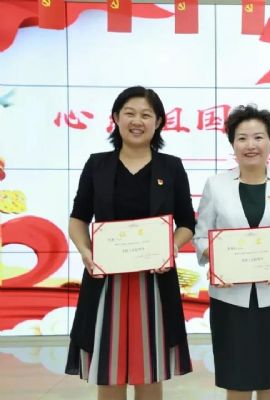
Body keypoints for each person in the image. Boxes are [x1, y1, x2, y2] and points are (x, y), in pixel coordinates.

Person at [65, 86, 195, 400]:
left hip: (154, 284)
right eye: (130, 113)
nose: (138, 121)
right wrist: (85, 251)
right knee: (108, 371)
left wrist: (171, 247)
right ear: (116, 118)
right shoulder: (97, 165)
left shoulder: (171, 167)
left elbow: (187, 223)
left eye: (146, 115)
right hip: (106, 283)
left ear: (159, 122)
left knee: (149, 367)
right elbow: (78, 218)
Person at [193, 105, 270, 400]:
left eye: (259, 137)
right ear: (232, 144)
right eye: (242, 138)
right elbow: (201, 235)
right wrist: (217, 260)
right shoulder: (216, 185)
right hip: (230, 296)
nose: (250, 145)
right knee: (237, 377)